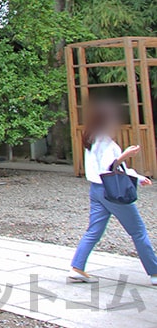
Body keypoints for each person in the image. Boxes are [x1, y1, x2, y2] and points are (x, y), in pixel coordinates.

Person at [68, 100, 156, 286]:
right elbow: (111, 167)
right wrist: (126, 155)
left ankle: (77, 267)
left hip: (96, 189)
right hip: (112, 191)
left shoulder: (91, 139)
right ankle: (154, 272)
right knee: (138, 231)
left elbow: (107, 168)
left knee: (93, 230)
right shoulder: (106, 143)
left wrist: (138, 176)